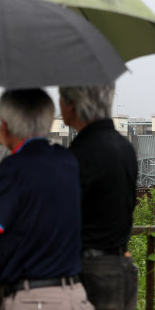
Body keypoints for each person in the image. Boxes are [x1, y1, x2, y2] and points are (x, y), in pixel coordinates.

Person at [0, 89, 93, 309]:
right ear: (49, 121)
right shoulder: (67, 160)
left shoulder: (10, 171)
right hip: (75, 296)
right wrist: (5, 138)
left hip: (35, 300)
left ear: (4, 125)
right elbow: (32, 158)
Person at [59, 85, 138, 310]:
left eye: (61, 100)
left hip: (94, 269)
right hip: (123, 264)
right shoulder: (124, 147)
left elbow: (65, 213)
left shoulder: (82, 152)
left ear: (72, 105)